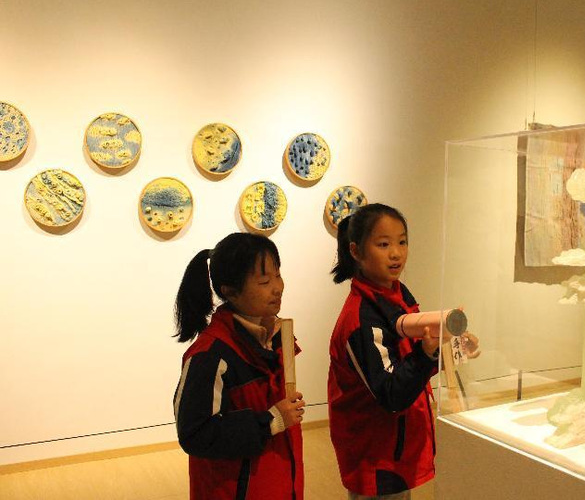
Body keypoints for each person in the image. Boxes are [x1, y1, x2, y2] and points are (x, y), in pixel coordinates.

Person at [328, 203, 475, 499]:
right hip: (376, 453)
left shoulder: (397, 293)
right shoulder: (360, 319)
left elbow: (412, 354)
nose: (396, 253)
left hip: (397, 443)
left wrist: (448, 346)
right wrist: (426, 354)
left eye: (402, 242)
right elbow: (391, 394)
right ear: (356, 251)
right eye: (383, 244)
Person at [173, 232, 305, 499]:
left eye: (278, 275)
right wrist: (270, 420)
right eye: (264, 281)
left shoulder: (277, 337)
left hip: (280, 486)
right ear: (229, 291)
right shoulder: (210, 355)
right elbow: (195, 434)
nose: (278, 287)